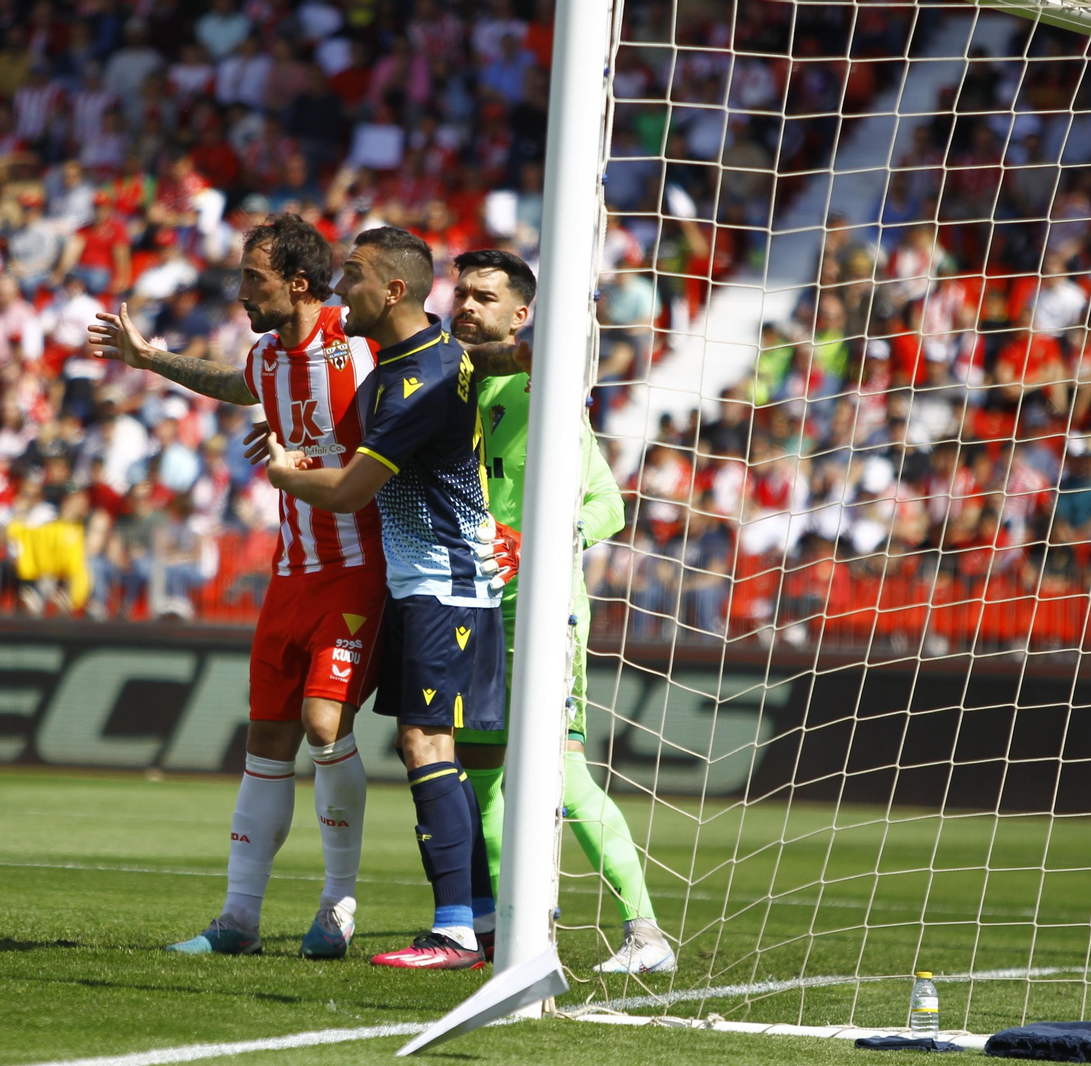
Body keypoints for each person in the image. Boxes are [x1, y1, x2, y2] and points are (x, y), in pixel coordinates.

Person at [89, 214, 384, 960]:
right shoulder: (268, 358)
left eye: (252, 277)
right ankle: (239, 919)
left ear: (297, 282)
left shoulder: (363, 347)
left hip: (359, 568)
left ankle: (338, 903)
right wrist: (150, 359)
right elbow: (233, 381)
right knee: (266, 740)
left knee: (325, 726)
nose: (240, 291)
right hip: (290, 572)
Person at [263, 227, 510, 970]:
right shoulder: (414, 362)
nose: (341, 288)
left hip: (446, 582)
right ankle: (482, 919)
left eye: (355, 276)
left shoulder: (420, 379)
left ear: (394, 290)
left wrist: (284, 476)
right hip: (424, 581)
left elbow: (348, 493)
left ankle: (455, 931)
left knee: (425, 744)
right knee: (437, 748)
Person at [447, 248, 675, 975]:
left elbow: (607, 502)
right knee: (479, 774)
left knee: (562, 776)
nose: (467, 305)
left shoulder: (547, 397)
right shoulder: (449, 391)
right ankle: (504, 930)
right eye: (462, 294)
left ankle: (646, 934)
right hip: (465, 604)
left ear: (521, 316)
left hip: (540, 613)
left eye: (485, 296)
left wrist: (549, 537)